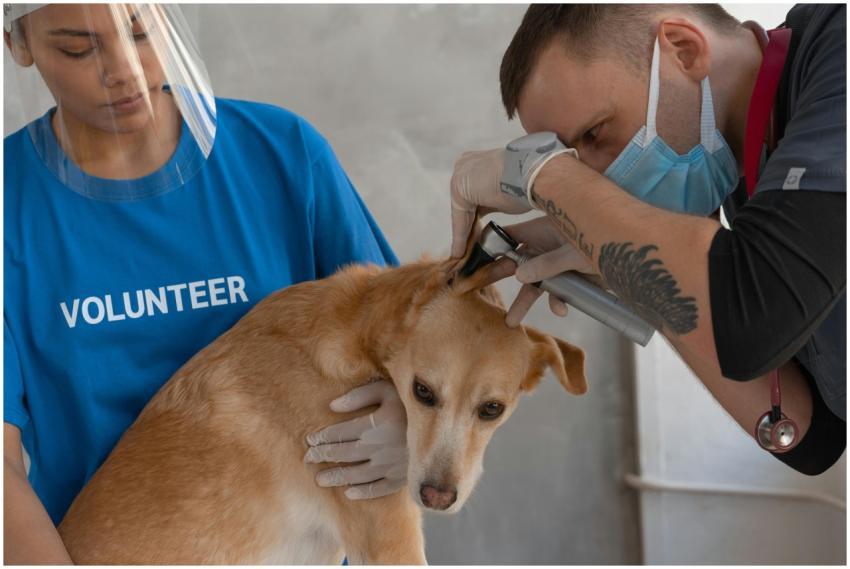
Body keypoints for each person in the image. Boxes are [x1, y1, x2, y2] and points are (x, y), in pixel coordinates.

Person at [2, 4, 406, 563]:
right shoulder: (8, 208)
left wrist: (410, 416)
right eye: (79, 48)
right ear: (16, 43)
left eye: (141, 31)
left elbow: (408, 336)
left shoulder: (284, 155)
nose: (125, 68)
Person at [447, 4, 845, 475]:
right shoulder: (745, 174)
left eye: (595, 134)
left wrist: (540, 174)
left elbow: (750, 318)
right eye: (574, 159)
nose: (596, 181)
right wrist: (629, 271)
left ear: (683, 49)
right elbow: (808, 434)